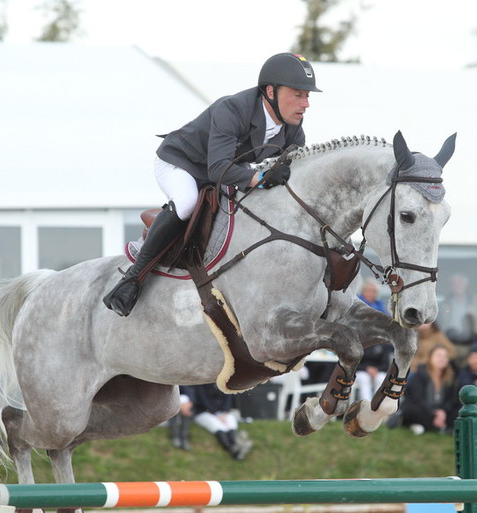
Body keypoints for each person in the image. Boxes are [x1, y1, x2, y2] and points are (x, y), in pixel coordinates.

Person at [103, 52, 321, 317]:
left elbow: (291, 171)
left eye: (307, 96)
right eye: (298, 94)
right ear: (271, 92)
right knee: (186, 203)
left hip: (222, 172)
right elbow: (218, 168)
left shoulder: (292, 127)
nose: (305, 103)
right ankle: (131, 281)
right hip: (181, 164)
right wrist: (261, 178)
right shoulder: (232, 109)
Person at [399, 345, 460, 434]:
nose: (442, 359)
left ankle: (437, 426)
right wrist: (433, 413)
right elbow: (418, 399)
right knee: (412, 410)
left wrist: (443, 412)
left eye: (445, 356)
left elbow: (451, 400)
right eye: (439, 355)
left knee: (458, 411)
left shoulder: (451, 377)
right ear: (430, 358)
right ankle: (439, 427)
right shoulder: (420, 374)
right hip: (424, 409)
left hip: (441, 411)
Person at [189, 383, 253, 460]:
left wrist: (224, 411)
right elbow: (203, 399)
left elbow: (228, 397)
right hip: (205, 411)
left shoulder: (223, 382)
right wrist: (215, 412)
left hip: (223, 411)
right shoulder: (201, 384)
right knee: (218, 427)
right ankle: (231, 449)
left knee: (231, 426)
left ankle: (236, 445)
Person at [437, 274, 477, 361]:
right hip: (448, 344)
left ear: (466, 285)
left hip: (472, 344)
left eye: (460, 283)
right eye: (454, 283)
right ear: (450, 286)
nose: (457, 286)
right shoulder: (443, 304)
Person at [167, 386, 194, 450]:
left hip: (186, 402)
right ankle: (177, 435)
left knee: (185, 400)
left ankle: (182, 436)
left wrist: (190, 403)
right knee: (179, 402)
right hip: (171, 401)